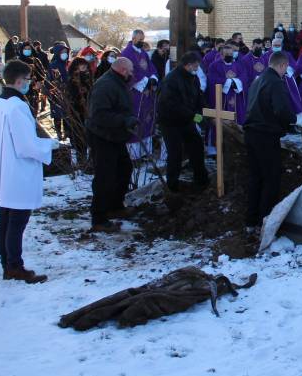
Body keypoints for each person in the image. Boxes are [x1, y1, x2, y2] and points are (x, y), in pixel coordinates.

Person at [0, 60, 57, 283]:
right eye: (29, 80)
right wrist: (50, 145)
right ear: (20, 80)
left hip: (3, 169)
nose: (30, 84)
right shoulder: (17, 106)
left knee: (6, 217)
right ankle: (15, 265)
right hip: (18, 171)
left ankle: (7, 262)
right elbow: (26, 145)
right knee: (17, 221)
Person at [243, 51, 297, 227]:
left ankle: (251, 219)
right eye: (286, 68)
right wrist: (293, 120)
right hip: (265, 135)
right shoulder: (275, 82)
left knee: (255, 177)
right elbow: (281, 109)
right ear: (282, 65)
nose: (285, 72)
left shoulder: (258, 80)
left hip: (251, 133)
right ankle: (267, 220)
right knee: (271, 177)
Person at [85, 56, 139, 232]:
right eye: (130, 71)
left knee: (124, 168)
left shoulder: (117, 82)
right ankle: (99, 217)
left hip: (115, 136)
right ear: (123, 70)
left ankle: (115, 206)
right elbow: (99, 114)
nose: (132, 74)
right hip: (102, 136)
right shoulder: (105, 85)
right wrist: (124, 120)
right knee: (104, 177)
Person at [157, 51, 209, 193]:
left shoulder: (194, 78)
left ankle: (201, 179)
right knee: (175, 152)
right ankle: (172, 185)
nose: (197, 69)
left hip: (187, 120)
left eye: (198, 66)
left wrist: (205, 114)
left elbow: (199, 98)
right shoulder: (172, 80)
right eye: (195, 66)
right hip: (170, 121)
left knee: (196, 145)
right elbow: (173, 105)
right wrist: (196, 118)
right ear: (187, 65)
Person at [120, 30, 158, 158]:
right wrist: (144, 82)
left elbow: (151, 67)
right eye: (139, 39)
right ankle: (135, 156)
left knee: (147, 119)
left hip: (147, 93)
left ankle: (146, 153)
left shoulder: (143, 53)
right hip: (135, 92)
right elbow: (129, 71)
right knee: (137, 120)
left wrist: (153, 78)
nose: (142, 41)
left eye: (143, 39)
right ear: (133, 38)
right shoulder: (126, 53)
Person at [207, 43, 249, 133]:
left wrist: (236, 82)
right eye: (227, 55)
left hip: (236, 97)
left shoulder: (238, 65)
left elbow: (244, 77)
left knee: (237, 120)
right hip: (222, 98)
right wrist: (228, 82)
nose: (230, 56)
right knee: (223, 121)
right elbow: (212, 79)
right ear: (221, 55)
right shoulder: (214, 66)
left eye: (231, 54)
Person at [65, 55, 94, 167]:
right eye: (82, 66)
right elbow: (72, 97)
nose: (84, 68)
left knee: (89, 138)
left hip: (89, 112)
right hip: (77, 113)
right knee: (79, 139)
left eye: (85, 66)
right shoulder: (73, 81)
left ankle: (88, 161)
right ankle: (81, 162)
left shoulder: (88, 78)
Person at [48, 42, 71, 140]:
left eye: (66, 52)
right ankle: (58, 133)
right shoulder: (53, 65)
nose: (64, 54)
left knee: (67, 115)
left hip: (67, 94)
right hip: (56, 94)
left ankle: (67, 133)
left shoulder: (67, 65)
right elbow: (49, 81)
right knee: (57, 114)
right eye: (62, 52)